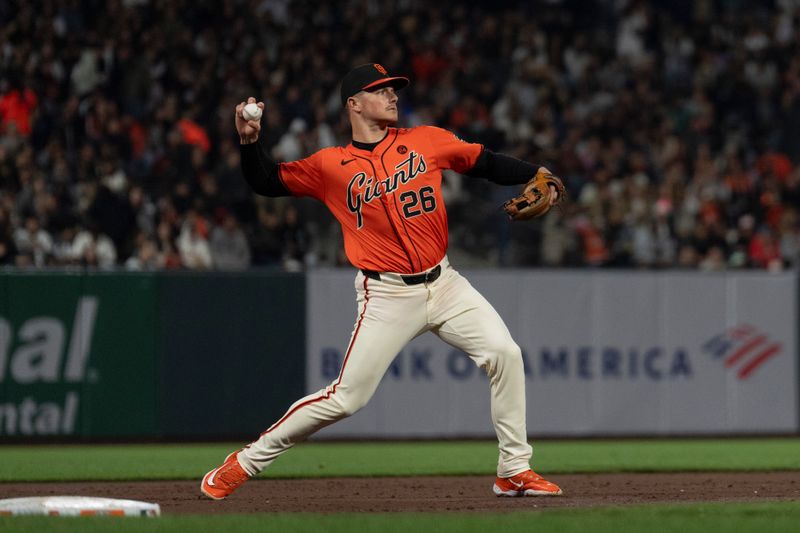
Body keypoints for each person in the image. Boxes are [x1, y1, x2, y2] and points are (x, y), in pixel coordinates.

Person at [201, 64, 563, 499]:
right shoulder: (330, 165)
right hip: (386, 293)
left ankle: (513, 470)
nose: (392, 96)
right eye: (379, 90)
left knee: (505, 353)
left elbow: (485, 162)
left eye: (393, 89)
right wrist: (249, 140)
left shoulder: (426, 139)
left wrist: (534, 171)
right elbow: (266, 181)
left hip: (446, 283)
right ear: (353, 104)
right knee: (346, 398)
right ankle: (245, 461)